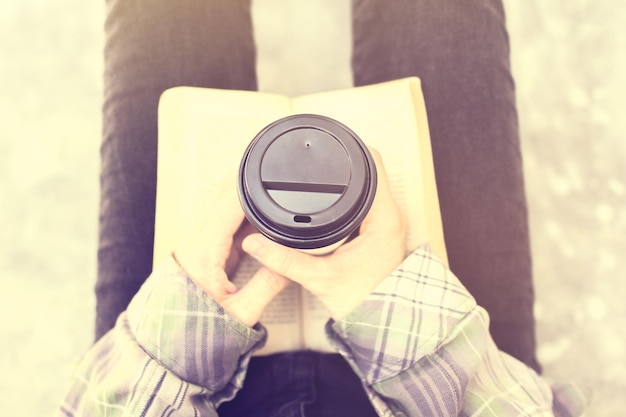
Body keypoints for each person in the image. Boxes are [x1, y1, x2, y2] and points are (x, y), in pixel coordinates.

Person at [57, 0, 586, 415]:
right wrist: (403, 319)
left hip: (170, 373)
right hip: (447, 375)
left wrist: (177, 344)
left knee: (166, 23)